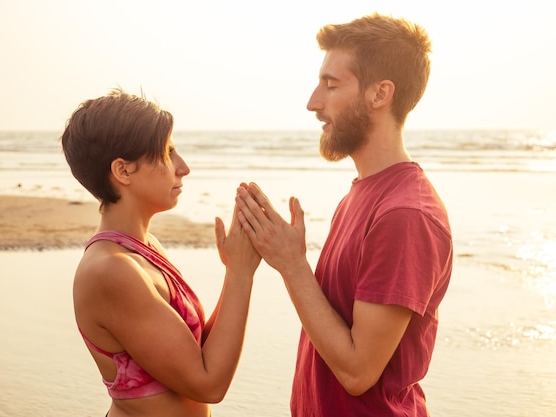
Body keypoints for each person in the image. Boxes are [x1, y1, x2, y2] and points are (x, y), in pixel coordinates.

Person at [235, 13, 453, 417]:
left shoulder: (405, 214)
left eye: (331, 85)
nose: (313, 102)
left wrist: (291, 264)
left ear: (379, 94)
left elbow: (357, 371)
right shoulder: (361, 194)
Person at [61, 89, 261, 417]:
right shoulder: (112, 270)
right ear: (123, 172)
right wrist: (240, 273)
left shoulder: (144, 247)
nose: (183, 167)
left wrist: (234, 269)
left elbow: (195, 354)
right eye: (167, 153)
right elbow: (209, 384)